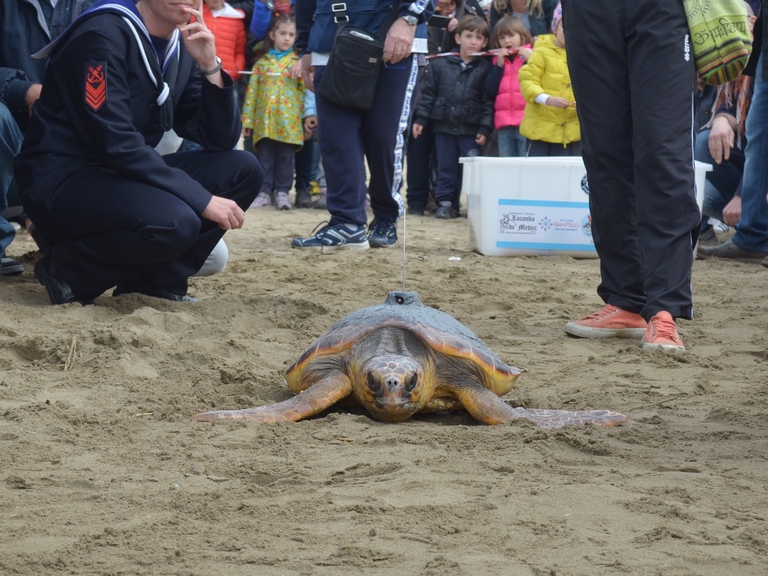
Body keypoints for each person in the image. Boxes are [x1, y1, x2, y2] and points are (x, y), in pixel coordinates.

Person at [14, 0, 262, 305]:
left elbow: (219, 138)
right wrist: (202, 199)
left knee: (244, 169)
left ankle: (152, 283)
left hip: (117, 174)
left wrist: (210, 66)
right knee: (176, 221)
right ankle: (68, 271)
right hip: (61, 180)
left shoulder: (183, 42)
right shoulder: (102, 32)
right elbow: (113, 141)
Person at [560, 0, 700, 353]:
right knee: (604, 153)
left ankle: (665, 308)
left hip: (661, 9)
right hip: (588, 11)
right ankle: (626, 300)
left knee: (663, 151)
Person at [292, 0, 436, 252]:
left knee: (384, 136)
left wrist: (409, 17)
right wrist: (305, 45)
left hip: (394, 35)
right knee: (337, 138)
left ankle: (385, 216)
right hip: (330, 35)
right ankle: (346, 222)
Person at [0, 0, 98, 276]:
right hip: (12, 145)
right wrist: (24, 90)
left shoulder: (101, 5)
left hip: (71, 155)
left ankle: (47, 224)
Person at [697, 2, 768, 265]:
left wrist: (741, 195)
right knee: (704, 143)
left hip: (752, 188)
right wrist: (722, 120)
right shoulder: (730, 64)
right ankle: (752, 234)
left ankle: (753, 227)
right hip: (748, 180)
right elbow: (728, 106)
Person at [412, 15, 494, 219]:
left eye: (479, 38)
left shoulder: (486, 68)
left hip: (470, 129)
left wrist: (484, 128)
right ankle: (445, 203)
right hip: (444, 128)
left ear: (485, 42)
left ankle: (470, 207)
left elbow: (487, 101)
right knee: (445, 167)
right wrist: (421, 120)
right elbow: (428, 95)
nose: (473, 41)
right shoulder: (439, 65)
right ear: (458, 38)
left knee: (470, 171)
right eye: (468, 36)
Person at [242, 14, 311, 211]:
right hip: (264, 124)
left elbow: (307, 93)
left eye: (291, 34)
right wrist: (247, 122)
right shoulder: (261, 65)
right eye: (283, 33)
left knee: (286, 161)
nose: (287, 38)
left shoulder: (299, 64)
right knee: (264, 160)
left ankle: (282, 193)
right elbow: (252, 95)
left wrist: (307, 118)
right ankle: (263, 192)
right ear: (273, 35)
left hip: (289, 125)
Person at [518, 5, 579, 157]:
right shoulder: (541, 52)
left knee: (562, 175)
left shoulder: (583, 55)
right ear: (555, 28)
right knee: (535, 173)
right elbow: (528, 81)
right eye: (563, 26)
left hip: (568, 133)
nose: (568, 31)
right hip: (539, 130)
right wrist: (547, 99)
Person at [485, 15, 533, 157]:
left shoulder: (532, 56)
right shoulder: (496, 62)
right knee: (506, 165)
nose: (507, 41)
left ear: (522, 36)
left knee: (525, 165)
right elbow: (490, 90)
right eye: (502, 37)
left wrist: (531, 61)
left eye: (511, 35)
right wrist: (499, 66)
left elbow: (541, 81)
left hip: (526, 122)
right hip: (504, 124)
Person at [201, 0, 247, 81]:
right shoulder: (196, 15)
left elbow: (240, 51)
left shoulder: (235, 18)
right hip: (200, 75)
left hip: (228, 76)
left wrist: (236, 69)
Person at [489, 0, 558, 37]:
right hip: (510, 58)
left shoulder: (547, 1)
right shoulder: (497, 5)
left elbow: (557, 33)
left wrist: (541, 41)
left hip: (542, 55)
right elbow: (494, 38)